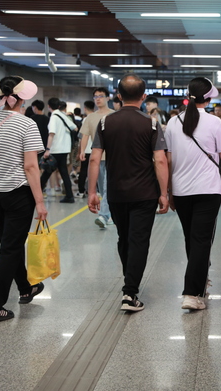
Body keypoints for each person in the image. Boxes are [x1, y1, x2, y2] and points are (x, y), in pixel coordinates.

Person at [0, 76, 47, 323]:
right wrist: (41, 202)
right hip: (18, 195)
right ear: (23, 97)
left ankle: (25, 287)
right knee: (11, 248)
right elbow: (31, 167)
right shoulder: (26, 124)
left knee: (9, 246)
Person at [88, 74, 169, 312]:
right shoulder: (151, 123)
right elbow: (160, 160)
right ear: (144, 97)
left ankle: (129, 282)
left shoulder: (105, 123)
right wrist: (164, 193)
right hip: (145, 193)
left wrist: (92, 191)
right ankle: (130, 292)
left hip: (116, 193)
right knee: (139, 241)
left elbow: (94, 158)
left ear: (119, 96)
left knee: (124, 238)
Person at [164, 77, 221, 310]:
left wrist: (169, 191)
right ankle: (191, 293)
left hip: (182, 191)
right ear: (209, 97)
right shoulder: (214, 122)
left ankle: (200, 282)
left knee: (191, 239)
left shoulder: (173, 122)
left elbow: (169, 160)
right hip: (208, 189)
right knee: (202, 240)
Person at [80, 88, 114, 227]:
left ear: (107, 98)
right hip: (97, 158)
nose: (98, 99)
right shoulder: (91, 117)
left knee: (107, 188)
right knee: (102, 188)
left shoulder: (114, 115)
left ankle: (103, 216)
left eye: (101, 96)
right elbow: (85, 135)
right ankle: (110, 214)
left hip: (112, 157)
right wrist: (82, 150)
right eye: (95, 97)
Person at [40, 97, 77, 203]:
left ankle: (35, 194)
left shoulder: (54, 117)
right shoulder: (62, 115)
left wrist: (47, 149)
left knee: (47, 172)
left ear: (49, 106)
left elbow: (51, 134)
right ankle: (69, 196)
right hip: (64, 149)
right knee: (64, 173)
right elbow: (75, 127)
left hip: (56, 149)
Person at [76, 100, 95, 198]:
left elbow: (82, 137)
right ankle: (93, 190)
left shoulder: (86, 119)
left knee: (83, 171)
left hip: (87, 150)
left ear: (85, 108)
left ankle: (81, 190)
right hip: (95, 149)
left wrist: (80, 151)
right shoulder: (97, 118)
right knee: (94, 171)